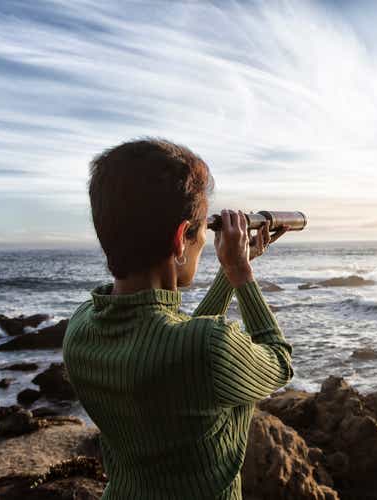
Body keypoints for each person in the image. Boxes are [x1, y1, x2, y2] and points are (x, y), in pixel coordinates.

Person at [62, 138, 294, 500]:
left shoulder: (80, 328)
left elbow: (178, 350)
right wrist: (240, 272)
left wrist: (227, 276)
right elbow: (279, 361)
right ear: (179, 239)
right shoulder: (205, 348)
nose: (206, 239)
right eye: (203, 229)